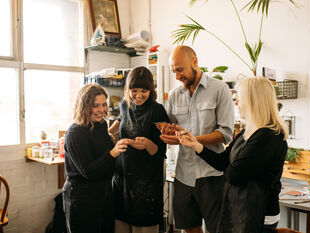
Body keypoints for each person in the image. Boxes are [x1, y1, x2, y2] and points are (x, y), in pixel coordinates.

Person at [176, 77, 289, 233]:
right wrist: (196, 144)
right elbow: (223, 161)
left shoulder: (268, 136)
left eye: (238, 99)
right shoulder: (248, 132)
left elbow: (234, 175)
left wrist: (231, 167)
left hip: (259, 216)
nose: (235, 103)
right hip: (244, 210)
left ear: (253, 101)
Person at [160, 45, 234, 233]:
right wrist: (169, 133)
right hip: (184, 176)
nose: (176, 76)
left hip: (212, 176)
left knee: (217, 229)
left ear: (195, 62)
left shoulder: (220, 89)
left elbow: (226, 133)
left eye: (180, 70)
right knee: (189, 229)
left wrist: (193, 140)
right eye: (173, 71)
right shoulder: (175, 95)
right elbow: (173, 130)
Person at [109, 66, 170, 233]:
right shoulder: (124, 105)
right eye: (134, 90)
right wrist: (109, 133)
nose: (138, 95)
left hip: (146, 182)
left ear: (151, 89)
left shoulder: (157, 111)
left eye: (144, 90)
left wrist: (148, 145)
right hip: (123, 178)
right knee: (121, 225)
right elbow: (121, 120)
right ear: (128, 88)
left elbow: (161, 150)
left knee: (143, 226)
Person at [62, 84, 127, 233]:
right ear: (84, 106)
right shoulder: (75, 133)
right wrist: (113, 153)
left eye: (104, 104)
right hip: (81, 197)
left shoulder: (101, 125)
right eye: (95, 105)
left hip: (103, 193)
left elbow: (104, 159)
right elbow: (88, 171)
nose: (102, 110)